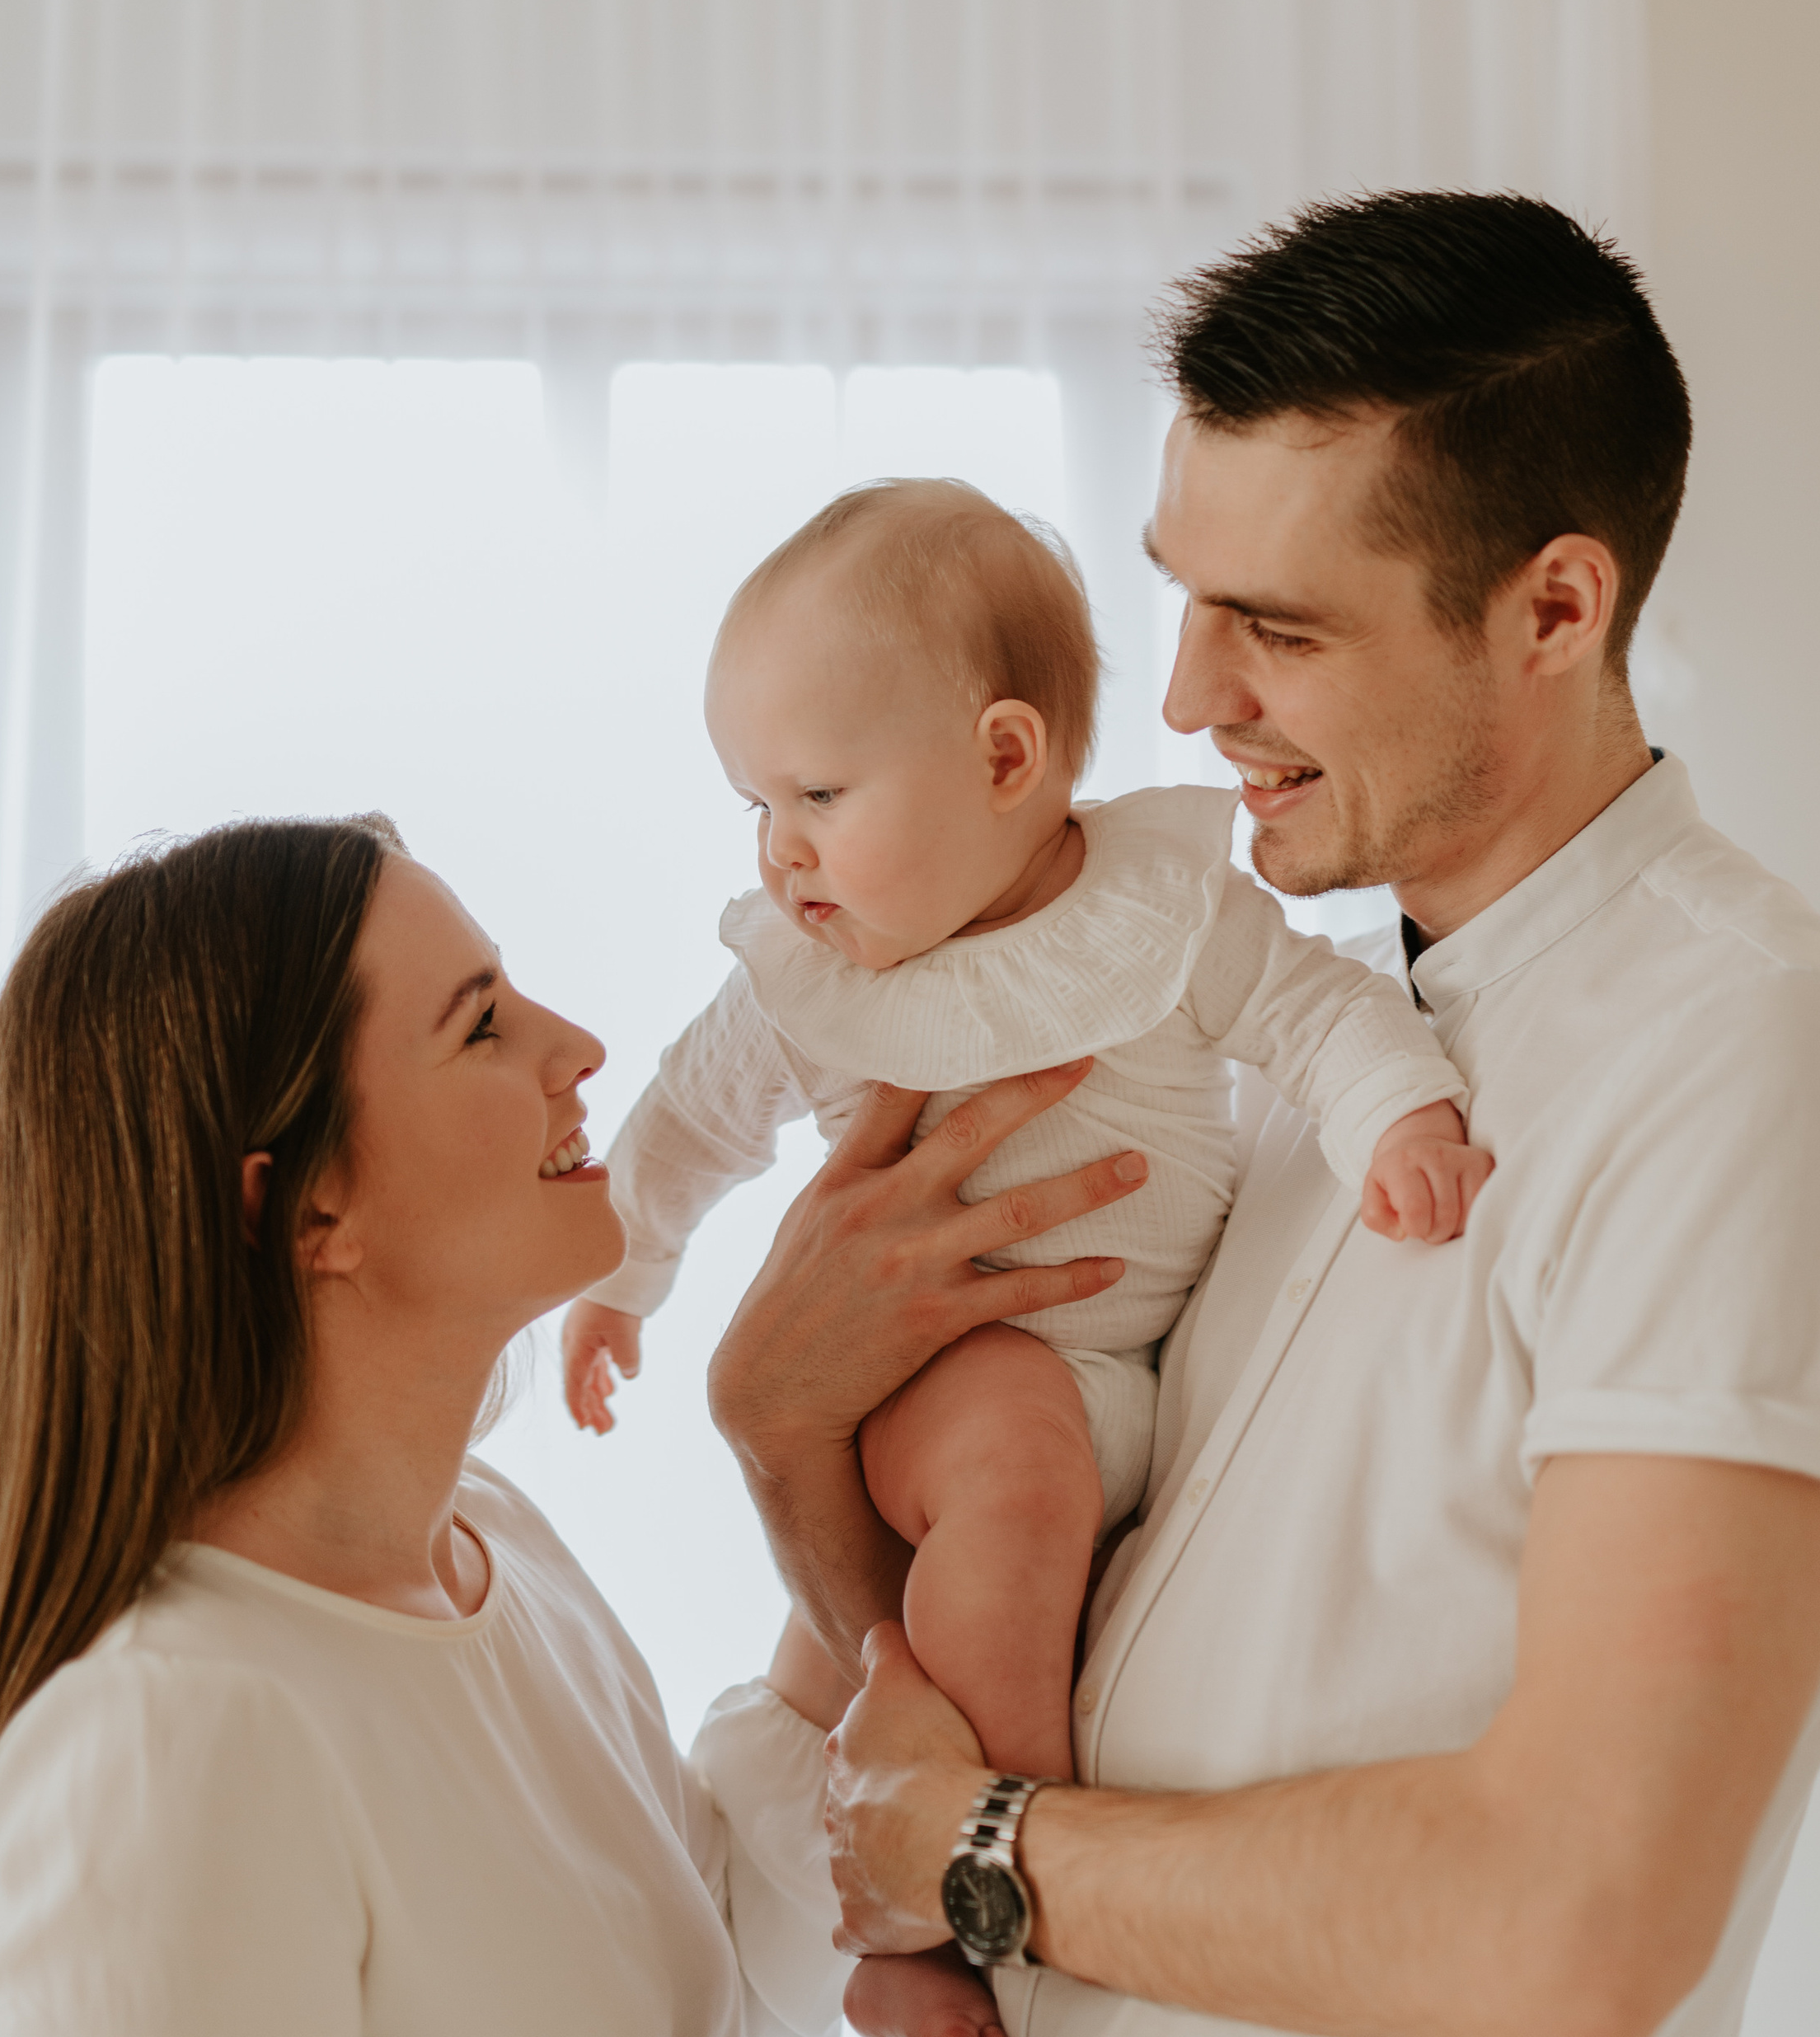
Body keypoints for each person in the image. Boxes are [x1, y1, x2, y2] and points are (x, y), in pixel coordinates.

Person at [702, 191, 1820, 2037]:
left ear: (1552, 606)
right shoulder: (1303, 1061)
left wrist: (975, 1853)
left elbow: (1574, 1921)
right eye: (1181, 594)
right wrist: (780, 1430)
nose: (1181, 695)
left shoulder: (1754, 1060)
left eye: (1274, 629)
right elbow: (958, 1647)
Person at [561, 476, 1488, 1791]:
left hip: (1138, 1388)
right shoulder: (810, 981)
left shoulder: (1161, 906)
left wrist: (1399, 1115)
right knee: (1013, 1493)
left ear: (1006, 758)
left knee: (977, 1625)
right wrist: (621, 1277)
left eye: (819, 795)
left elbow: (1314, 1011)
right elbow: (685, 1125)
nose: (781, 855)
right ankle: (975, 1872)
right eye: (755, 807)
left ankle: (913, 1832)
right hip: (955, 1379)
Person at [0, 814, 876, 2035]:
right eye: (480, 1025)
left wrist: (827, 1438)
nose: (578, 1047)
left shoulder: (493, 1551)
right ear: (308, 1211)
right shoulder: (162, 1746)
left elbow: (725, 1978)